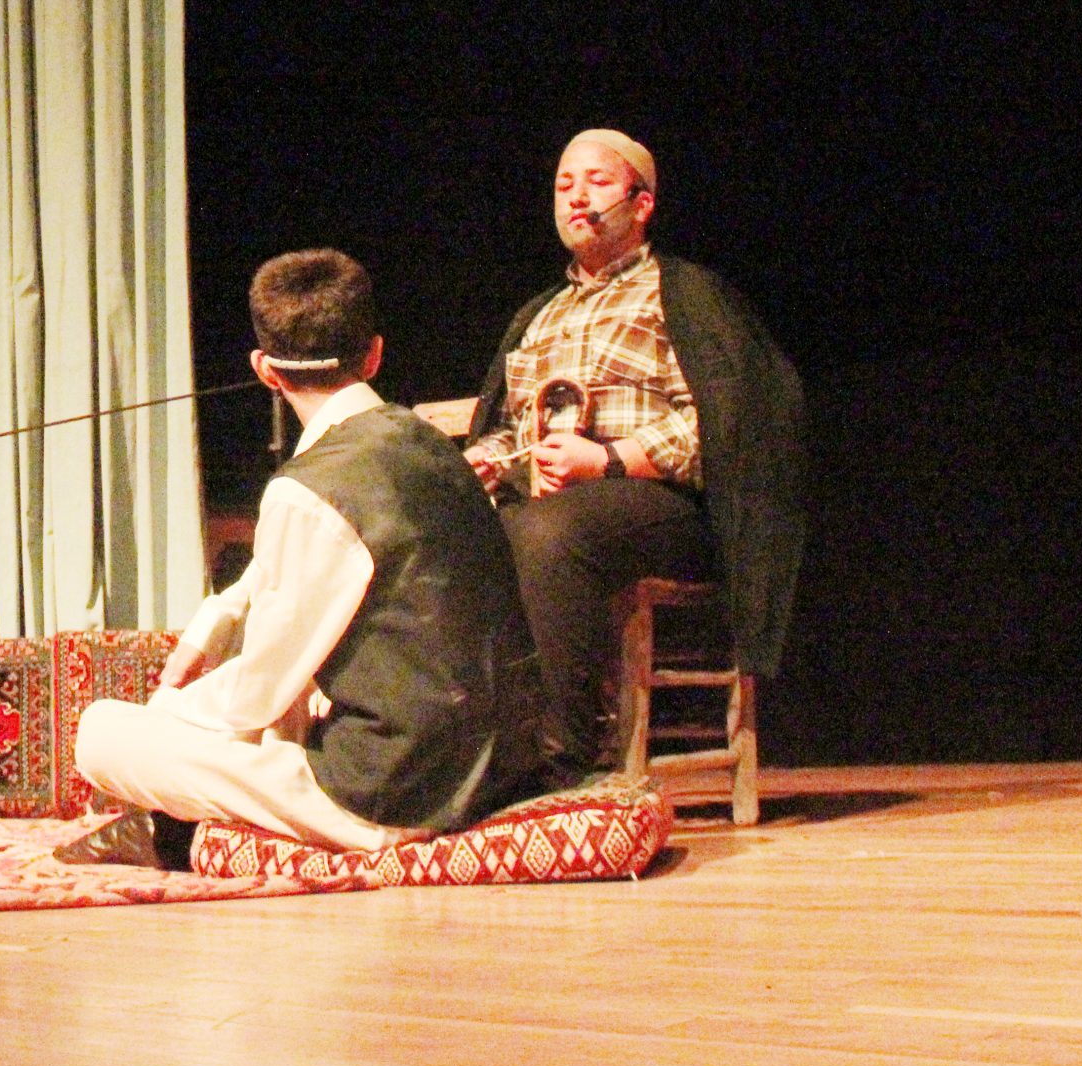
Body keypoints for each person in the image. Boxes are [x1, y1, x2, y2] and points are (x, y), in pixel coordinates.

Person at [59, 250, 553, 867]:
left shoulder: (309, 489)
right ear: (374, 355)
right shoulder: (432, 445)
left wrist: (168, 711)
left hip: (399, 792)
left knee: (102, 733)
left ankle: (175, 833)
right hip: (505, 765)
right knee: (287, 691)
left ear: (265, 370)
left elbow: (256, 695)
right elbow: (304, 568)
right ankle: (180, 827)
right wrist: (214, 625)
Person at [462, 129, 805, 778]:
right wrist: (486, 461)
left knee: (548, 531)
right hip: (554, 507)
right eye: (563, 185)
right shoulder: (540, 315)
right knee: (462, 531)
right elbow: (513, 427)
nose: (576, 197)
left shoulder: (681, 294)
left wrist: (610, 460)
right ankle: (469, 755)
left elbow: (728, 421)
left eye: (596, 182)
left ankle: (563, 762)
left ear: (641, 203)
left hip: (664, 506)